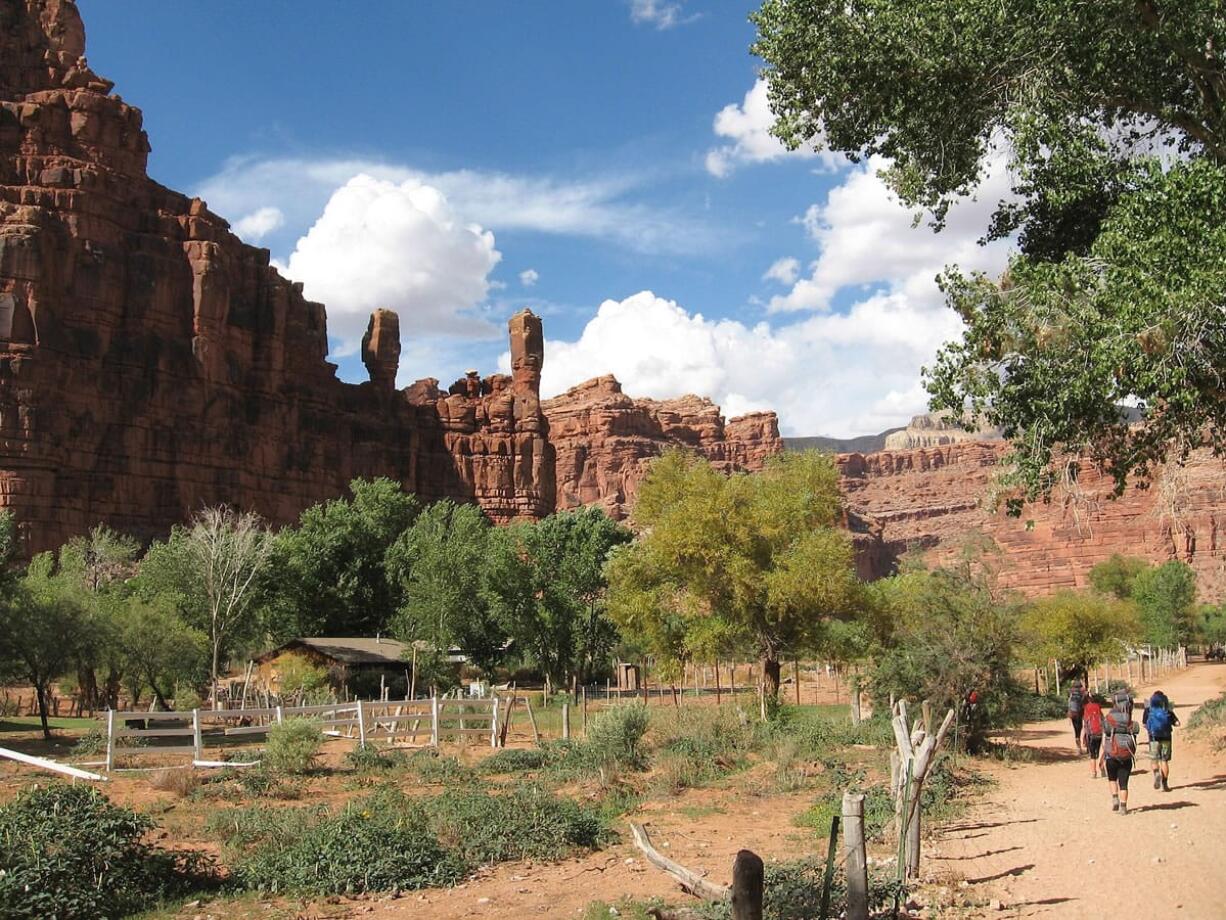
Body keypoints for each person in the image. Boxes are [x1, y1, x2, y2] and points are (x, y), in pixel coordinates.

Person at [1100, 689, 1139, 814]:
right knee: (1124, 783)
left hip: (1112, 754)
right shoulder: (1129, 719)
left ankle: (1115, 798)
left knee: (1112, 778)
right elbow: (1136, 730)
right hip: (1126, 754)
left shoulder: (1109, 718)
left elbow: (1105, 732)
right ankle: (1123, 806)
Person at [1142, 690, 1180, 792]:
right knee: (1164, 761)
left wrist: (1151, 729)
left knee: (1154, 760)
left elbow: (1144, 724)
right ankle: (1165, 784)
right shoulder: (1167, 710)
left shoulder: (1148, 710)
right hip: (1166, 738)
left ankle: (1156, 773)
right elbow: (1177, 723)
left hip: (1153, 738)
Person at [1081, 693, 1105, 778]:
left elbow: (1085, 724)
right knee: (1101, 751)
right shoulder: (1098, 707)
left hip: (1091, 734)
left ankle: (1093, 773)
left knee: (1092, 754)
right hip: (1099, 733)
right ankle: (1102, 766)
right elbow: (1103, 720)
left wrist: (1083, 737)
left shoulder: (1086, 708)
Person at [1067, 680, 1087, 754]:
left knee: (1076, 731)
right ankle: (1085, 745)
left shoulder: (1071, 692)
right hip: (1081, 713)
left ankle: (1078, 749)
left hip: (1073, 713)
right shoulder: (1083, 692)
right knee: (1083, 728)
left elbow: (1069, 703)